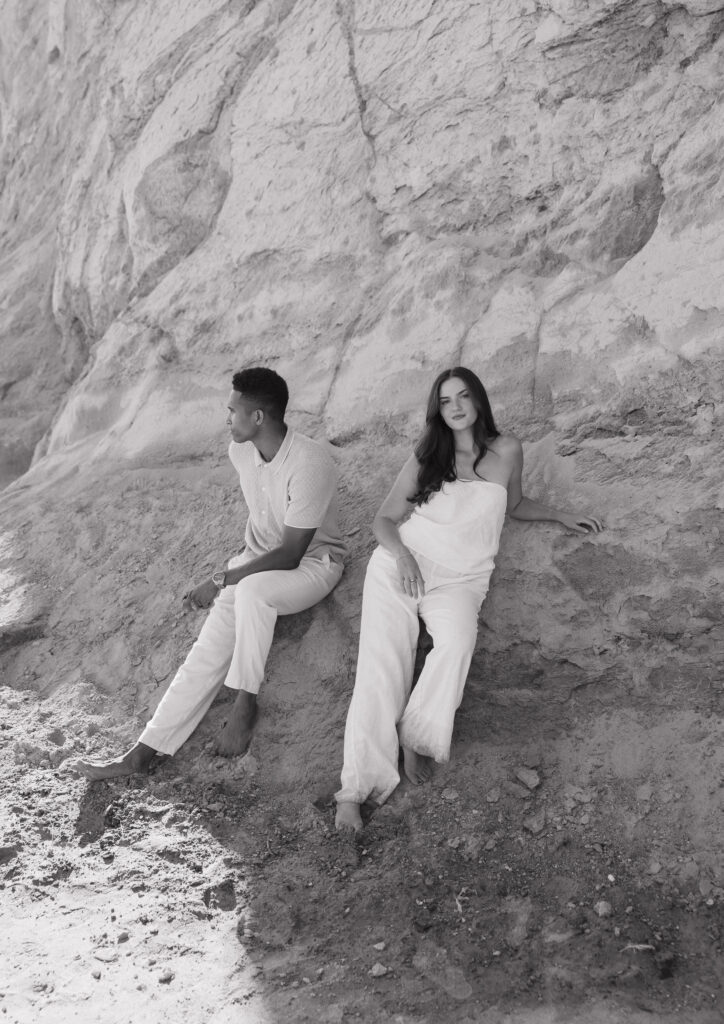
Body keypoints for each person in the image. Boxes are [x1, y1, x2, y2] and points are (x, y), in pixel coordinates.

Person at [334, 367, 602, 831]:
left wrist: (561, 515)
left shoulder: (507, 450)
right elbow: (384, 520)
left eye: (462, 397)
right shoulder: (429, 453)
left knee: (456, 645)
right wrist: (403, 556)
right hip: (403, 567)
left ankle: (413, 734)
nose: (455, 407)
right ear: (437, 409)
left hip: (462, 581)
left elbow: (514, 505)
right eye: (445, 401)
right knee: (380, 669)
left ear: (478, 400)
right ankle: (354, 791)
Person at [71, 367, 346, 780]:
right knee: (204, 654)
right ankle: (142, 754)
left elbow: (291, 553)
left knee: (249, 589)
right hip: (257, 567)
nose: (227, 418)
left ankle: (244, 705)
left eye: (233, 410)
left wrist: (221, 580)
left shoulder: (311, 461)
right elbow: (264, 535)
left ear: (258, 417)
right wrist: (233, 575)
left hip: (315, 566)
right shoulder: (241, 453)